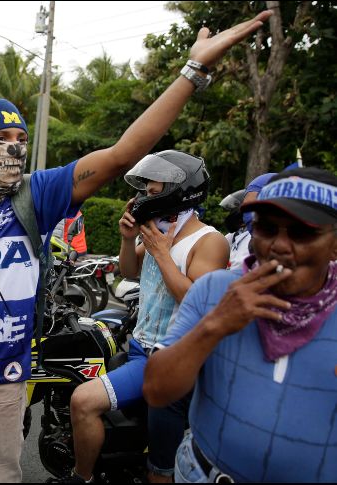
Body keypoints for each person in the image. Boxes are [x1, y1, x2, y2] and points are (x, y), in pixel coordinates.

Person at [0, 11, 272, 482]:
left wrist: (191, 72)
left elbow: (124, 153)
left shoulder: (38, 193)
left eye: (21, 139)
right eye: (0, 139)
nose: (15, 148)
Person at [143, 167, 337, 483]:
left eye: (302, 232)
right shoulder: (214, 290)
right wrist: (216, 324)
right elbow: (157, 391)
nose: (280, 245)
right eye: (267, 228)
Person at [67, 150, 229, 483]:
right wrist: (129, 239)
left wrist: (160, 252)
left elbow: (198, 300)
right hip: (140, 346)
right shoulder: (162, 228)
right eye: (145, 192)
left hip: (168, 359)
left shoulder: (208, 241)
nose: (144, 199)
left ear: (179, 191)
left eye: (153, 193)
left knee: (84, 402)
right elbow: (129, 271)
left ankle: (79, 478)